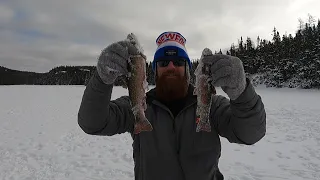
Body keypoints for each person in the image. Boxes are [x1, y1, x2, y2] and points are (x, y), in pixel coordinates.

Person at [78, 31, 266, 180]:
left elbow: (250, 133)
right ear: (153, 70)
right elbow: (92, 123)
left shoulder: (211, 106)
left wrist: (242, 93)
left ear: (188, 70)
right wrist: (102, 80)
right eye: (163, 62)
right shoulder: (138, 106)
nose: (170, 66)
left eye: (178, 61)